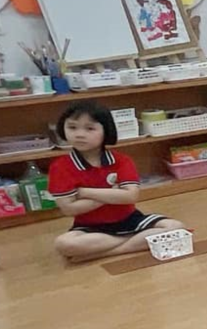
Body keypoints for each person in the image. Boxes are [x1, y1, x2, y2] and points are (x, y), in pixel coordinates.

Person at [46, 100, 186, 261]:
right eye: (72, 127)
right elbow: (69, 209)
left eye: (90, 128)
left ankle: (106, 252)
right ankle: (134, 242)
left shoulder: (121, 161)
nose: (79, 134)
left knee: (176, 228)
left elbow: (130, 197)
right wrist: (114, 193)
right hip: (89, 228)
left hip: (130, 220)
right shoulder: (60, 167)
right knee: (64, 244)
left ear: (106, 131)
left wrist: (84, 192)